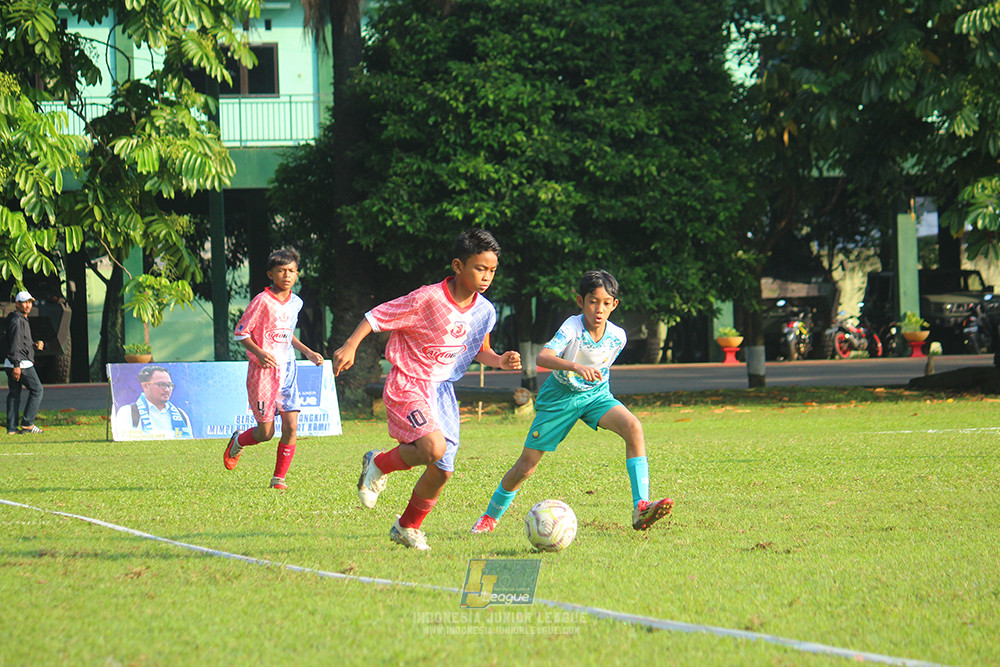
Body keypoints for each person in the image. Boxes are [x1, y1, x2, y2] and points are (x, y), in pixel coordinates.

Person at [333, 229, 521, 550]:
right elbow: (377, 316)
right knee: (433, 448)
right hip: (409, 382)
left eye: (492, 270)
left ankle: (406, 527)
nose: (487, 276)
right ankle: (379, 463)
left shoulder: (485, 311)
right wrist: (350, 345)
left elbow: (481, 350)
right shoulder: (427, 298)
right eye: (480, 268)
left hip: (442, 391)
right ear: (458, 266)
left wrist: (500, 360)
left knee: (442, 470)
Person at [470, 270, 673, 535]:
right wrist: (576, 367)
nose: (599, 309)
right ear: (580, 301)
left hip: (596, 396)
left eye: (606, 303)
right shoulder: (572, 327)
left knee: (633, 427)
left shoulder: (618, 336)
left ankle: (641, 507)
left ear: (614, 305)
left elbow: (602, 366)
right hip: (559, 398)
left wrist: (593, 383)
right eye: (593, 301)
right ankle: (489, 517)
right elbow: (543, 357)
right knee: (526, 466)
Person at [223, 248, 324, 490]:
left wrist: (308, 352)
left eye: (291, 271)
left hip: (288, 371)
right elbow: (241, 333)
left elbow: (287, 335)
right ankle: (238, 441)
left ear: (297, 274)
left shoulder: (296, 302)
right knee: (265, 433)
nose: (286, 275)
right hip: (264, 373)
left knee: (291, 426)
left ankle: (279, 478)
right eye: (281, 271)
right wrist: (259, 353)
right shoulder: (262, 301)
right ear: (271, 274)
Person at [113, 365, 193, 439]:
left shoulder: (181, 414)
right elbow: (125, 442)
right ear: (145, 386)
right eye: (161, 385)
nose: (167, 389)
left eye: (169, 385)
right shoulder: (128, 412)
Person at [4, 291, 45, 435]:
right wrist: (17, 365)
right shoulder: (18, 320)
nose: (28, 305)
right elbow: (15, 344)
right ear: (17, 304)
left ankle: (11, 428)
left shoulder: (17, 319)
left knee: (14, 394)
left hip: (11, 363)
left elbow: (20, 342)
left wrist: (33, 346)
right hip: (21, 364)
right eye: (24, 303)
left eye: (29, 302)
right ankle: (27, 423)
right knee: (37, 390)